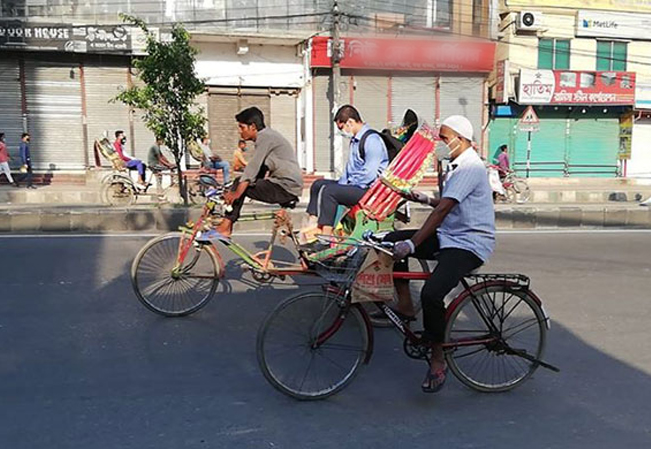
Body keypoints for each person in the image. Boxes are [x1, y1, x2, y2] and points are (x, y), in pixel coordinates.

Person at [383, 115, 495, 393]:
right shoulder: (456, 166)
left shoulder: (470, 167)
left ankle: (437, 358)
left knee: (433, 293)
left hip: (470, 243)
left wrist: (413, 243)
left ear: (461, 138)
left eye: (445, 139)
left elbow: (444, 210)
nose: (443, 144)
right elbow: (448, 204)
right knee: (388, 241)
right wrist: (424, 198)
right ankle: (407, 304)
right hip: (450, 236)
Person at [209, 107, 303, 238]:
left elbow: (251, 169)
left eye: (242, 127)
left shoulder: (265, 137)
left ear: (252, 126)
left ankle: (225, 226)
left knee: (240, 183)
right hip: (285, 186)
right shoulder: (268, 136)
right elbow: (260, 170)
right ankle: (226, 224)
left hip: (285, 188)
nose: (239, 131)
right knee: (242, 183)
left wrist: (235, 194)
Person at [301, 105, 389, 242]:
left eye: (342, 128)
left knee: (329, 192)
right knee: (318, 185)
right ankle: (312, 224)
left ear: (350, 122)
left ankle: (326, 237)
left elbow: (369, 174)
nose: (343, 132)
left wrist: (346, 186)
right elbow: (349, 170)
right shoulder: (355, 141)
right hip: (355, 184)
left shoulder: (372, 140)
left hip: (368, 189)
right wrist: (343, 184)